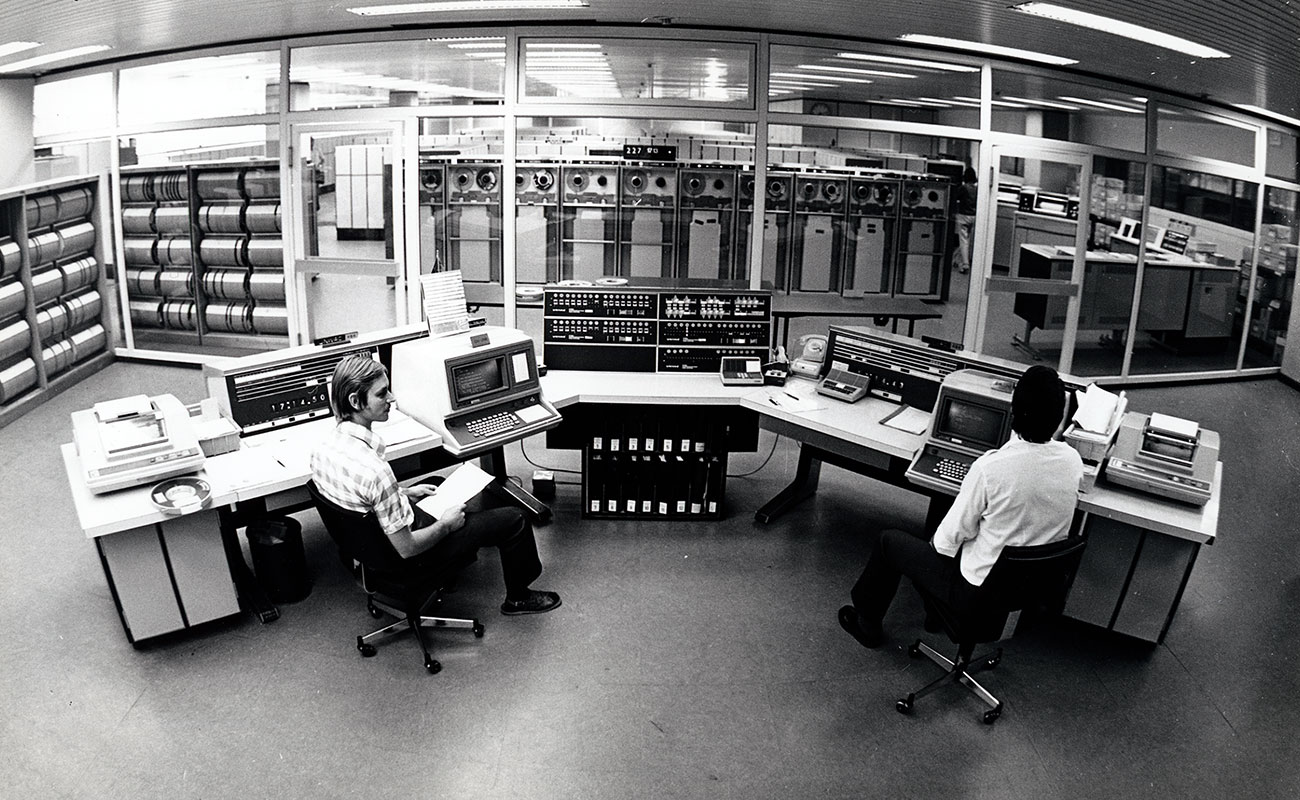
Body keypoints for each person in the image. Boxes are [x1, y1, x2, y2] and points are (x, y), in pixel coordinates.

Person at [839, 365, 1083, 648]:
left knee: (889, 542)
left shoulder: (990, 468)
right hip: (1029, 593)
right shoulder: (1073, 461)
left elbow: (944, 543)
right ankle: (935, 614)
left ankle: (867, 625)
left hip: (976, 594)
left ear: (1014, 411)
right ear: (1059, 417)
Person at [310, 354, 561, 616]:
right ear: (355, 401)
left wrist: (402, 493)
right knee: (515, 519)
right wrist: (446, 525)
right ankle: (519, 598)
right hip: (404, 559)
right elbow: (408, 548)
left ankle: (450, 567)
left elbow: (358, 498)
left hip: (368, 549)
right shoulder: (376, 472)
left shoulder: (323, 449)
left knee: (436, 484)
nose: (392, 398)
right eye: (382, 393)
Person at [952, 166, 978, 274]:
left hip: (963, 216)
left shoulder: (964, 188)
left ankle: (965, 265)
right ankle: (955, 259)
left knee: (963, 241)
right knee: (966, 240)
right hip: (973, 217)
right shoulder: (977, 189)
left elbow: (954, 197)